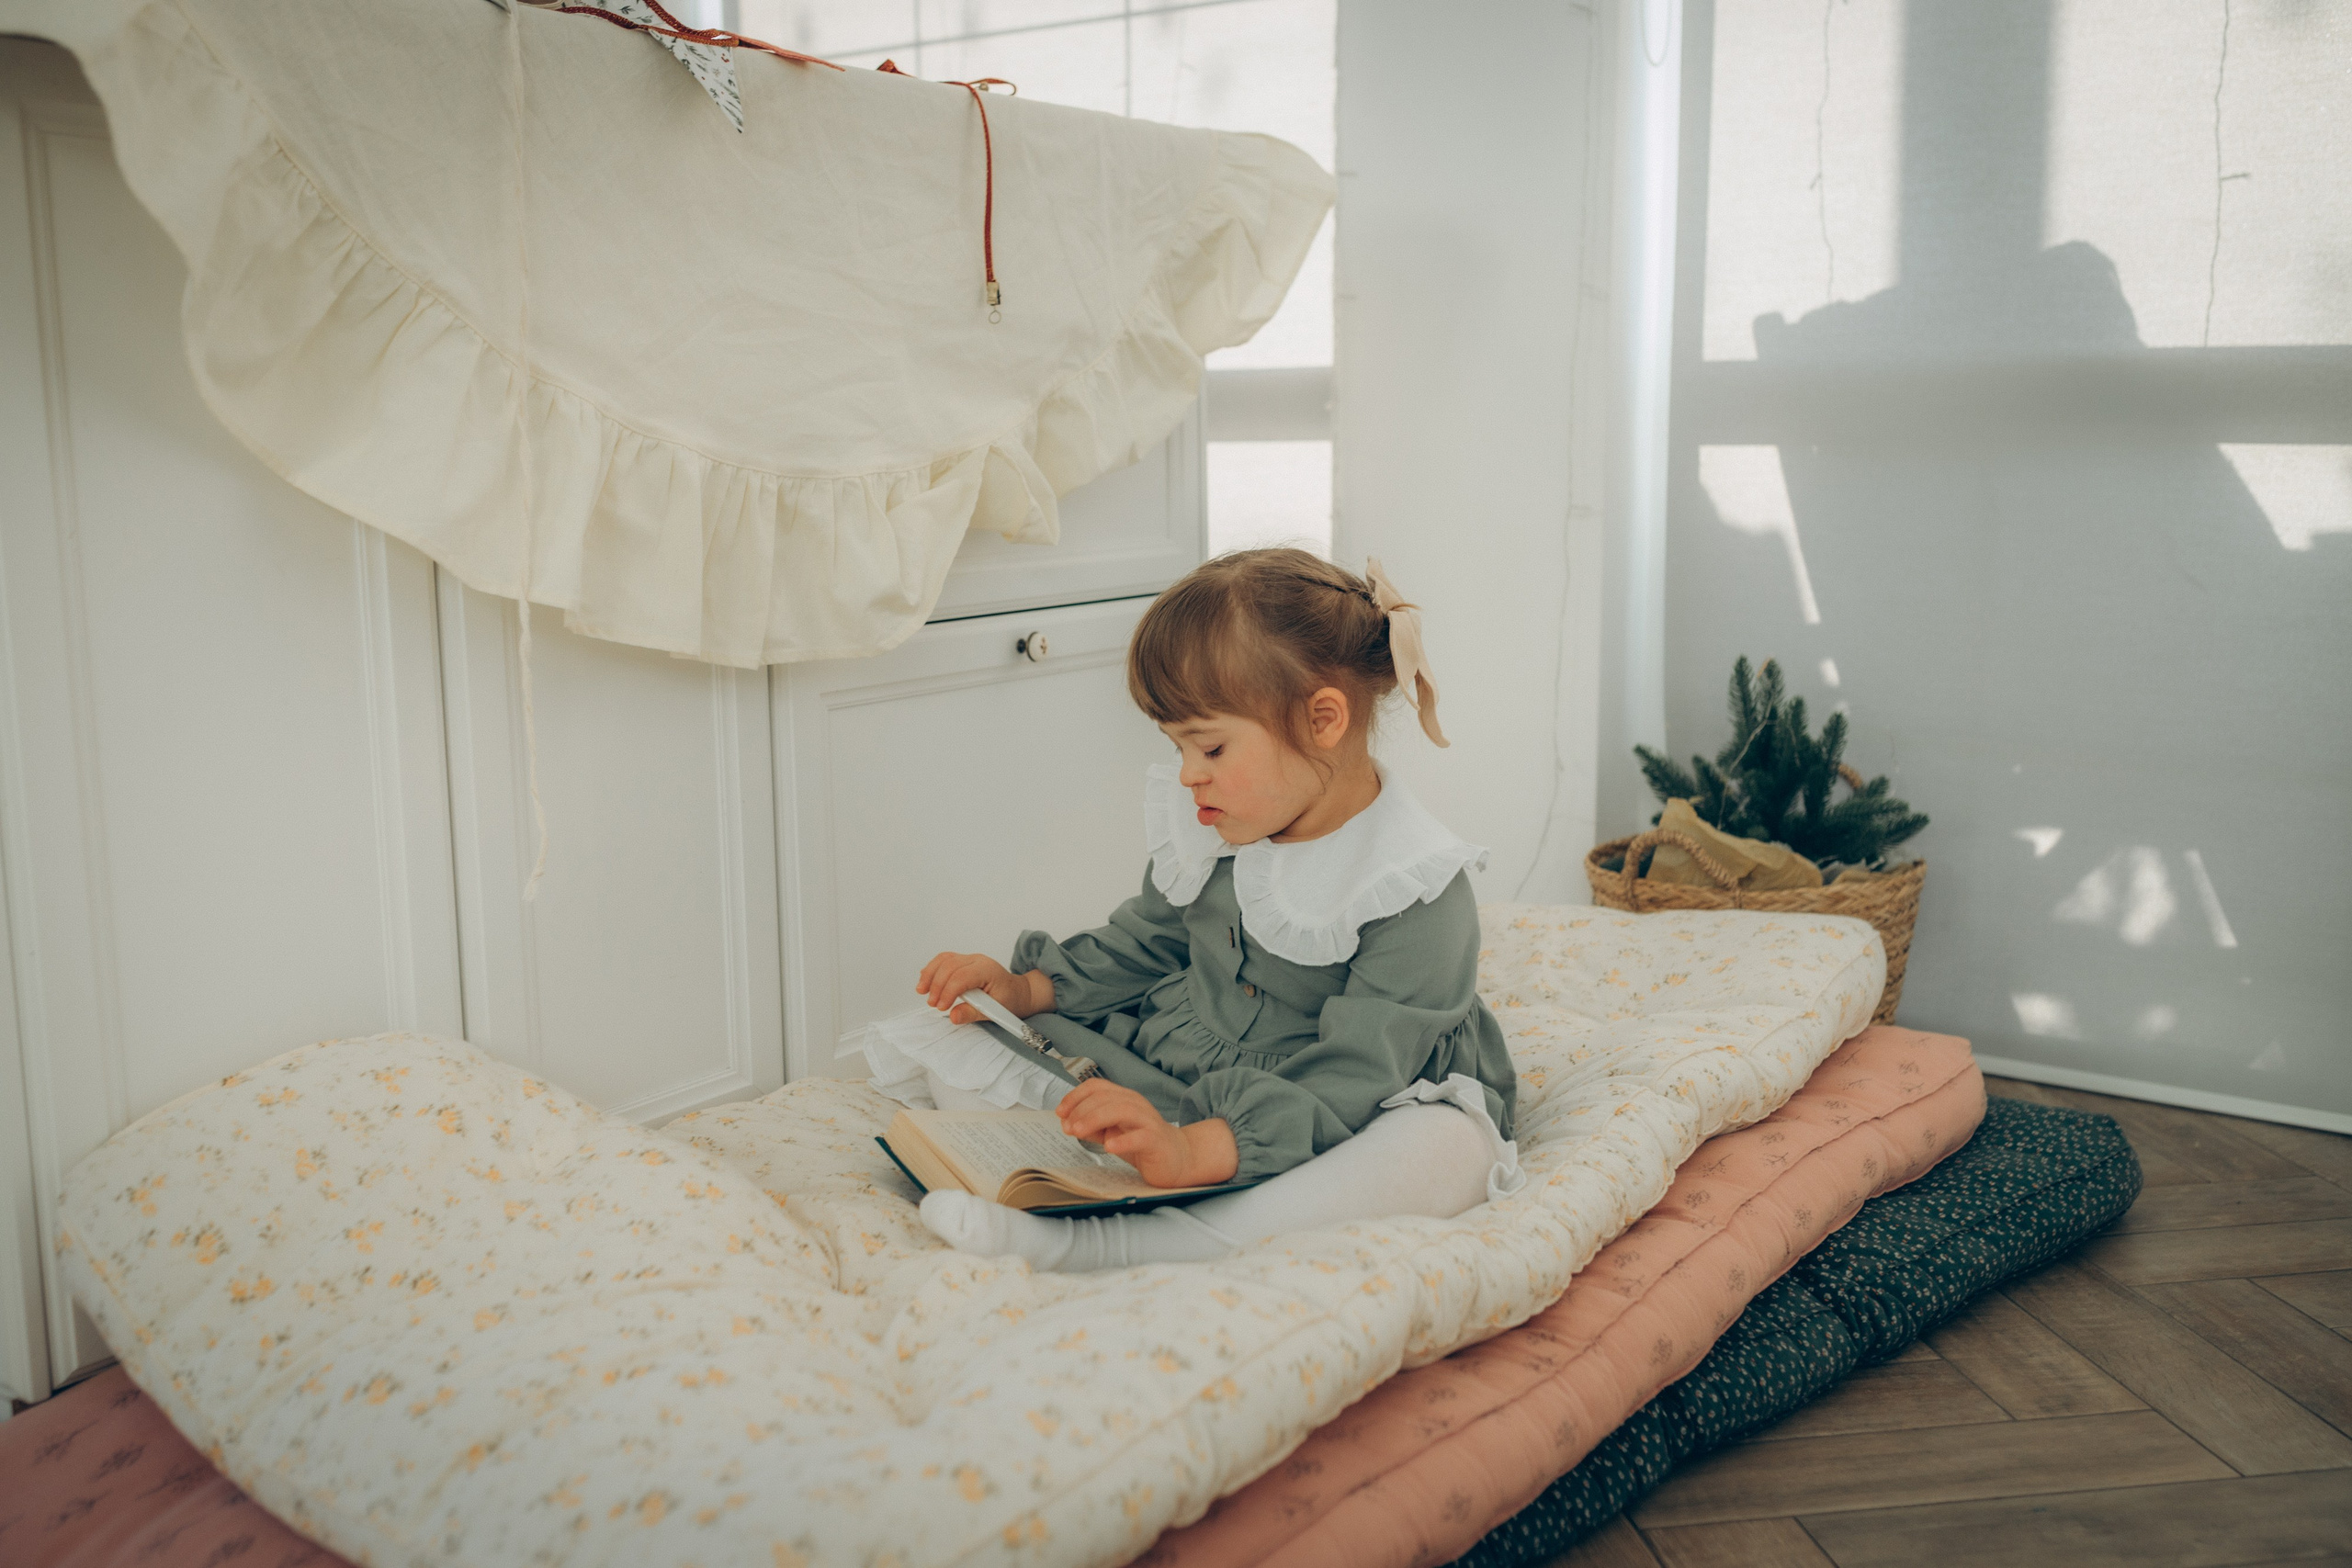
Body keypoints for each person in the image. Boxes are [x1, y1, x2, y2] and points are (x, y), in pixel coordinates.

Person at [909, 547, 1522, 1272]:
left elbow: (1360, 1069)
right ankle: (1081, 1181)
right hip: (1187, 1076)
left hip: (1346, 1099)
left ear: (1323, 720)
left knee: (1449, 1147)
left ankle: (1112, 1239)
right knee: (961, 1041)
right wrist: (1024, 992)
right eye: (1177, 747)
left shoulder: (1413, 888)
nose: (1187, 774)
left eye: (1209, 746)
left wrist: (1202, 1144)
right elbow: (1148, 940)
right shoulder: (1218, 822)